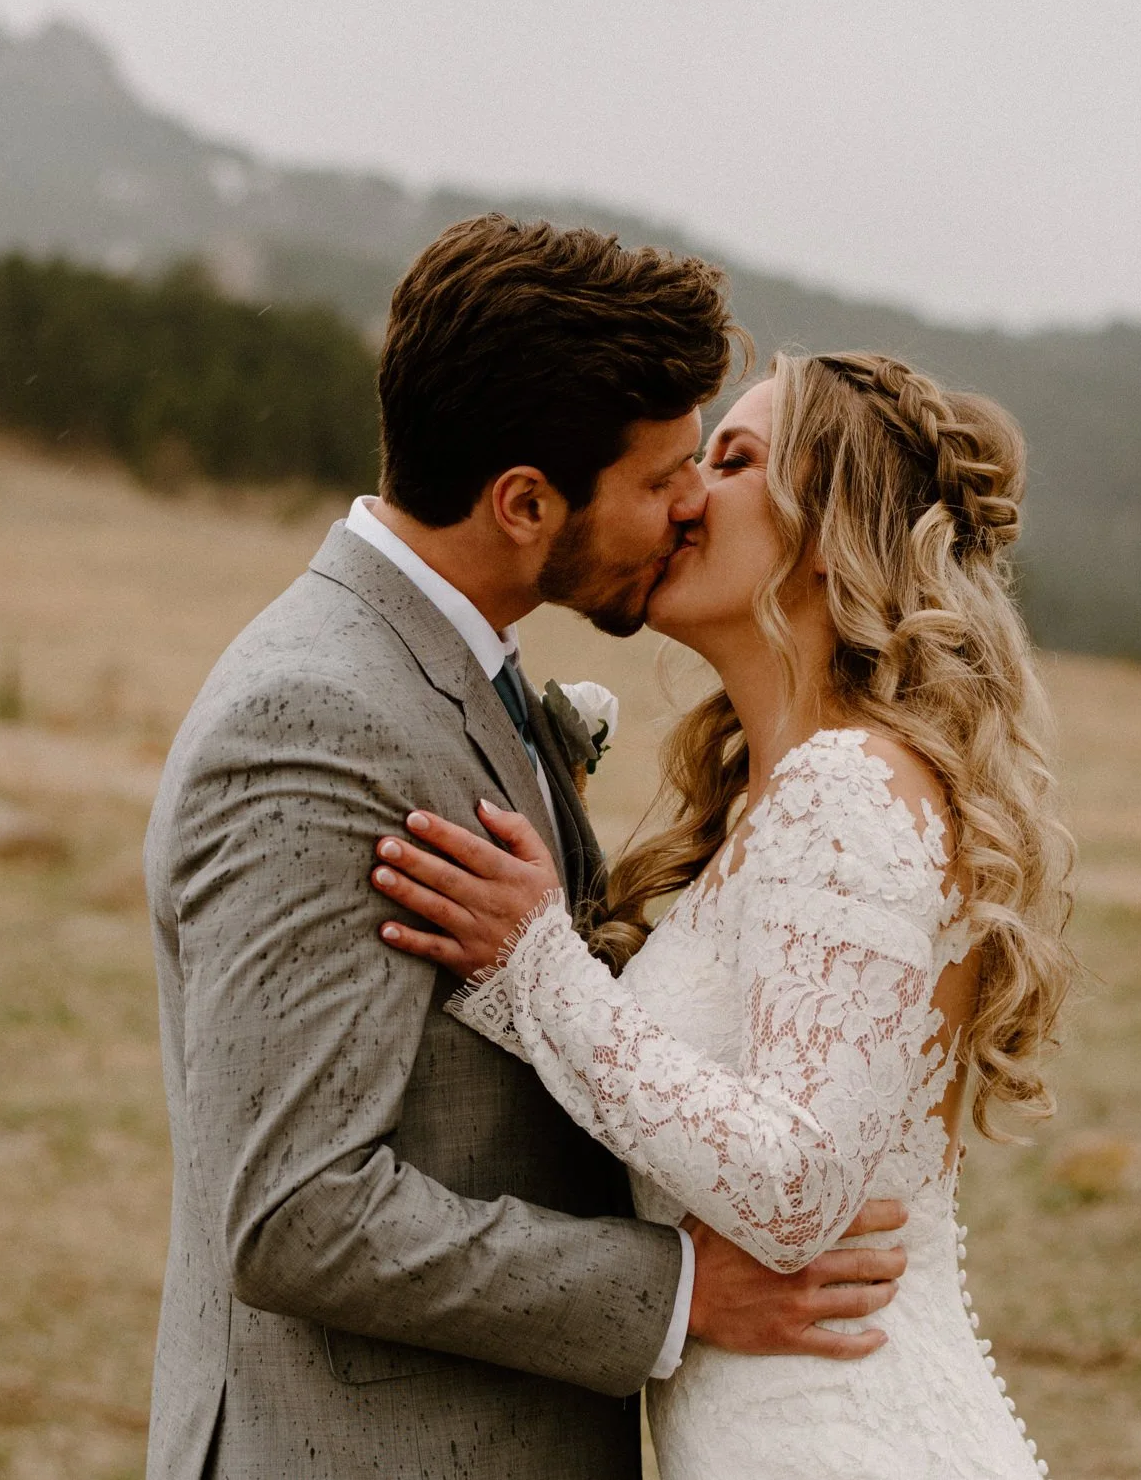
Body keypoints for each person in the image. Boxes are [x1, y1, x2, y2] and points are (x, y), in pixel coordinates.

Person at [143, 217, 910, 1480]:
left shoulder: (455, 669)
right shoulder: (317, 718)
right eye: (664, 475)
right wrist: (672, 1294)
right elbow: (293, 1211)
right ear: (523, 502)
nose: (687, 511)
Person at [371, 350, 1075, 1479]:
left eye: (733, 459)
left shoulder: (848, 786)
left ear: (827, 522)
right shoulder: (773, 797)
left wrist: (536, 966)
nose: (685, 493)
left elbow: (793, 1189)